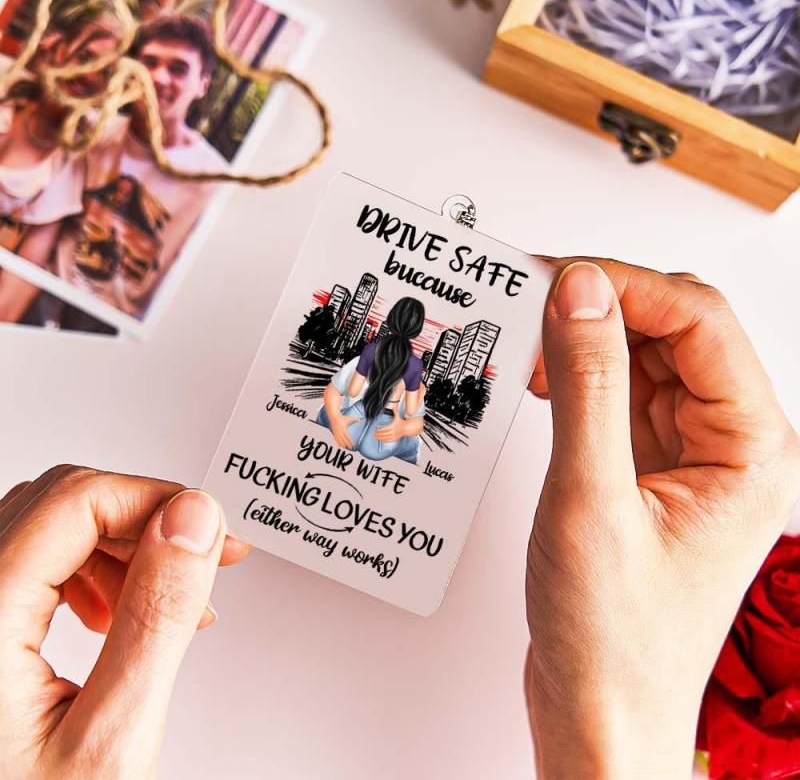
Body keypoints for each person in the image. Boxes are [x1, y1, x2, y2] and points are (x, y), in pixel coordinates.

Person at [0, 258, 798, 778]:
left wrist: (608, 721)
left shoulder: (392, 360)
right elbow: (389, 405)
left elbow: (368, 398)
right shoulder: (401, 362)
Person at [53, 14, 227, 321]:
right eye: (149, 63)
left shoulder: (213, 183)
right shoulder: (92, 131)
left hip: (115, 327)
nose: (158, 78)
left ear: (202, 85)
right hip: (49, 292)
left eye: (178, 69)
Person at [0, 15, 120, 323]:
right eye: (85, 57)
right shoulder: (5, 87)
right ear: (58, 48)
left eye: (103, 71)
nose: (87, 74)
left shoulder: (70, 162)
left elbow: (20, 280)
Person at [318, 297, 427, 463]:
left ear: (390, 319)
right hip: (382, 436)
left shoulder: (371, 350)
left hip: (352, 424)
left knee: (324, 412)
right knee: (413, 443)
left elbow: (353, 391)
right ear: (417, 330)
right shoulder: (415, 365)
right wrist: (421, 392)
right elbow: (411, 411)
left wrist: (336, 419)